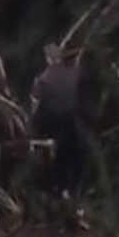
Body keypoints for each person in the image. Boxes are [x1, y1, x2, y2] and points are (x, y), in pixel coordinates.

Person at [30, 44, 82, 198]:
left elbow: (36, 106)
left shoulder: (43, 80)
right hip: (75, 125)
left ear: (48, 59)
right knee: (72, 160)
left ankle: (55, 190)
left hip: (54, 126)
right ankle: (71, 192)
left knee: (56, 159)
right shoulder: (76, 75)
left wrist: (33, 126)